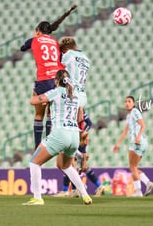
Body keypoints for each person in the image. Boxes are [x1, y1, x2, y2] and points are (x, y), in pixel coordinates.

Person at [22, 69, 92, 206]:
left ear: (56, 81)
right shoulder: (75, 95)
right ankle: (86, 195)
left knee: (34, 162)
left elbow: (34, 101)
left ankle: (37, 198)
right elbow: (79, 117)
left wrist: (37, 93)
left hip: (60, 133)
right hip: (74, 136)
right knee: (65, 166)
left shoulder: (56, 92)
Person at [54, 37, 105, 197]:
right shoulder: (86, 59)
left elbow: (55, 61)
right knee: (75, 125)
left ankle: (78, 155)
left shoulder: (68, 55)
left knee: (64, 136)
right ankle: (76, 187)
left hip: (73, 93)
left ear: (67, 48)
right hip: (82, 94)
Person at [20, 21, 64, 149]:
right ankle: (49, 143)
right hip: (57, 80)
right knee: (51, 114)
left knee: (39, 114)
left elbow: (22, 48)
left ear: (38, 31)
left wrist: (34, 39)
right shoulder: (55, 42)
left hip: (44, 79)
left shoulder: (35, 39)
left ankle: (38, 146)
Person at [113, 96, 153, 197]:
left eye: (129, 101)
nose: (127, 103)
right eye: (125, 101)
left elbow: (143, 125)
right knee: (134, 168)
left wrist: (138, 137)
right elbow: (125, 131)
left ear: (133, 103)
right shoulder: (129, 116)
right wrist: (118, 143)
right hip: (142, 142)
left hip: (137, 141)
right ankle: (148, 183)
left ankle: (138, 191)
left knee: (132, 168)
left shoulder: (135, 111)